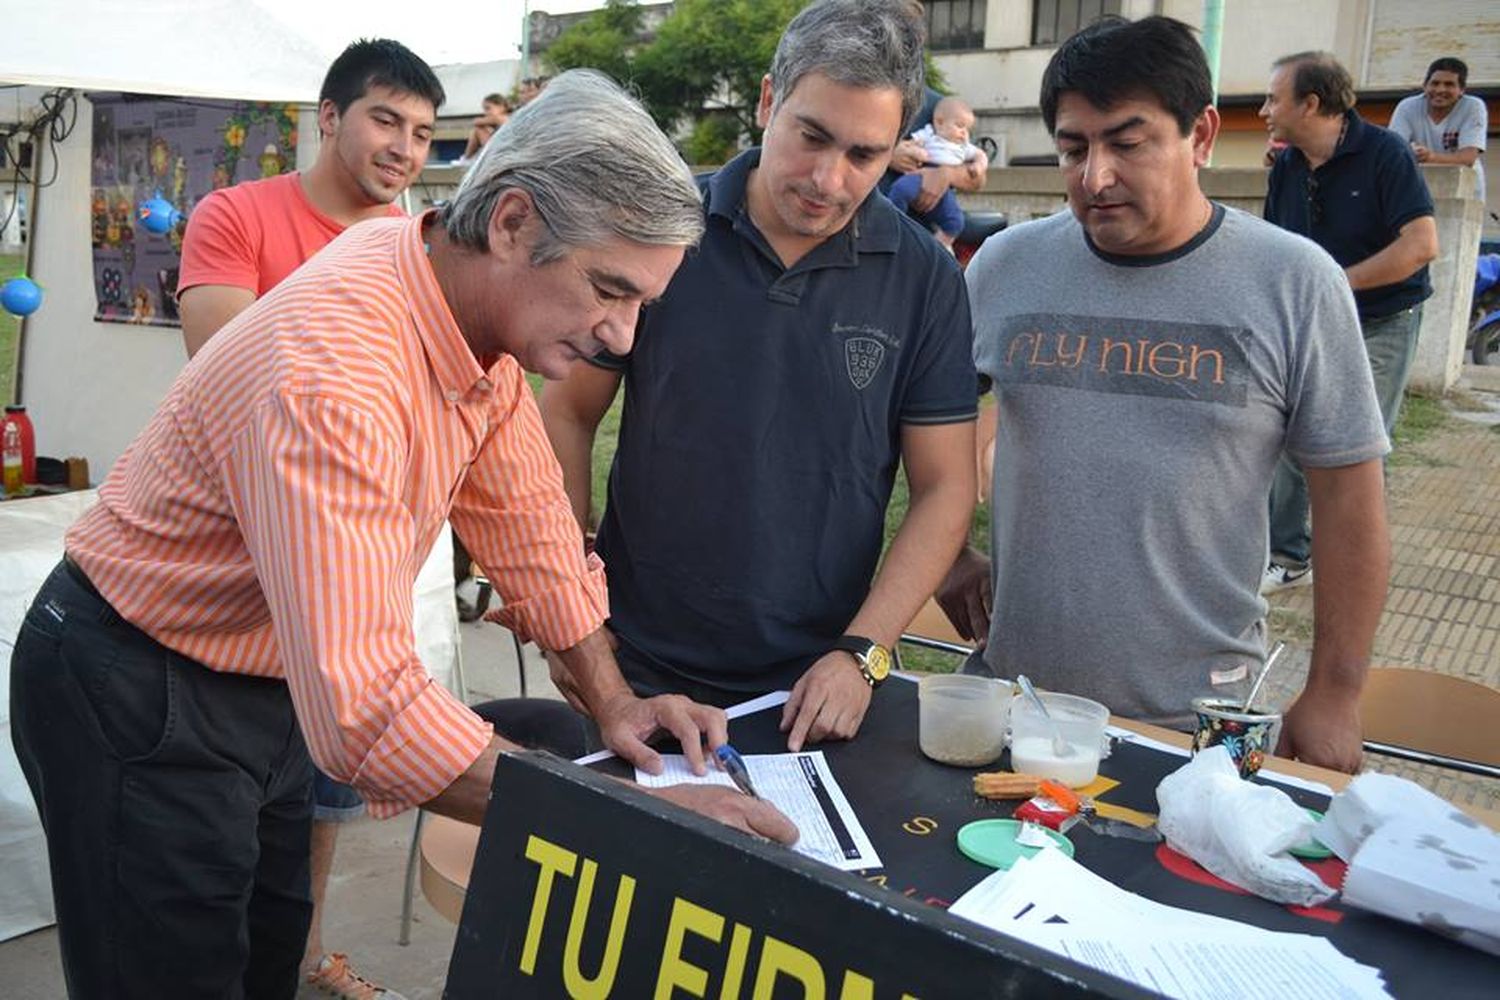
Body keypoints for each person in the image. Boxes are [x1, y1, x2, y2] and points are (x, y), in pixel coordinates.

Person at [10, 70, 795, 1000]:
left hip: (259, 678)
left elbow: (531, 528)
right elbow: (367, 712)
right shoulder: (336, 374)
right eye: (608, 290)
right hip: (137, 678)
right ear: (511, 222)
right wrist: (624, 814)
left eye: (642, 307)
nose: (622, 337)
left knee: (266, 956)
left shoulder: (456, 297)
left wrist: (617, 706)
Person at [940, 16, 1390, 774]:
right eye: (1074, 147)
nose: (1095, 176)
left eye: (1128, 141)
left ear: (1202, 135)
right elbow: (932, 428)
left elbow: (1350, 504)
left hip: (1198, 723)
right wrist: (948, 552)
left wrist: (1335, 693)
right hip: (1015, 701)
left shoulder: (1294, 283)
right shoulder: (1004, 269)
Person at [539, 0, 977, 754]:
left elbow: (946, 487)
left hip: (812, 685)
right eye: (811, 136)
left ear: (898, 149)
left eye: (864, 156)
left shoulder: (925, 277)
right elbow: (567, 412)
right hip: (636, 664)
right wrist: (571, 609)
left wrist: (863, 654)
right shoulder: (663, 227)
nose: (827, 179)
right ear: (769, 100)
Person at [176, 39, 440, 997]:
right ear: (327, 117)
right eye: (384, 119)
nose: (404, 148)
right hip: (237, 574)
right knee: (220, 819)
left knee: (325, 787)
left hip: (361, 561)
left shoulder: (421, 240)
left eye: (420, 132)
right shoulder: (236, 214)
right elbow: (227, 372)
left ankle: (302, 955)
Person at [1259, 51, 1438, 593]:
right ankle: (1288, 555)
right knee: (1288, 434)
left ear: (1311, 103)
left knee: (1360, 448)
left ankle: (1354, 569)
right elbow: (1277, 248)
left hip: (1382, 320)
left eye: (1274, 98)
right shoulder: (1288, 164)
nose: (1265, 109)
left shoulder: (1386, 154)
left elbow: (1421, 245)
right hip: (1309, 323)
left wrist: (1333, 283)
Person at [886, 95, 989, 248]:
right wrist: (889, 154)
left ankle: (936, 250)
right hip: (877, 224)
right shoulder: (930, 132)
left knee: (955, 221)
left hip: (927, 226)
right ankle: (889, 227)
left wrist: (947, 174)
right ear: (939, 122)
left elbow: (979, 180)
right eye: (960, 126)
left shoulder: (938, 104)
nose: (964, 133)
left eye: (967, 129)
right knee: (900, 190)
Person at [1388, 57, 1487, 204]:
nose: (1440, 90)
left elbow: (1467, 158)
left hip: (1463, 190)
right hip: (1418, 187)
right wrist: (1410, 153)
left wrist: (1430, 157)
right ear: (1424, 85)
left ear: (1462, 90)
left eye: (1449, 84)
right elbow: (1392, 151)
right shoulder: (1407, 107)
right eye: (1434, 83)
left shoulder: (1473, 107)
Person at [462, 92, 511, 161]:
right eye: (484, 110)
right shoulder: (499, 120)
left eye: (488, 108)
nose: (485, 113)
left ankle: (466, 158)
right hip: (500, 151)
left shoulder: (503, 118)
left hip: (503, 153)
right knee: (480, 129)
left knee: (478, 129)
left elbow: (476, 121)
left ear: (501, 107)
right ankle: (467, 158)